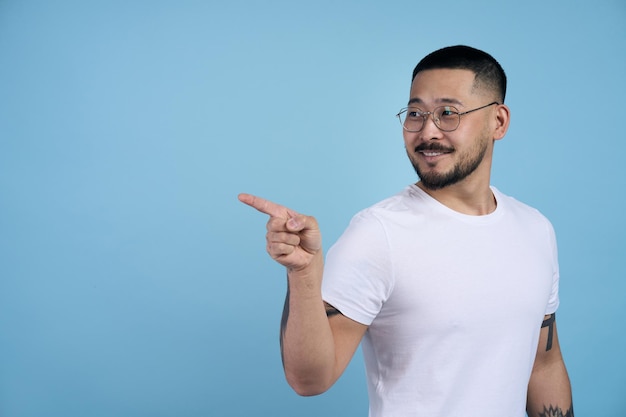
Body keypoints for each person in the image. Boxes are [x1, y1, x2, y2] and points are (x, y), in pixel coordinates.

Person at [238, 45, 573, 417]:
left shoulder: (535, 229)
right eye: (415, 113)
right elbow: (309, 380)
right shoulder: (379, 233)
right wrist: (302, 274)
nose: (427, 131)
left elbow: (544, 364)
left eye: (448, 113)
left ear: (498, 121)